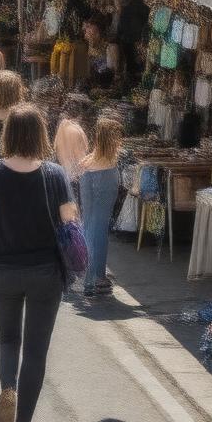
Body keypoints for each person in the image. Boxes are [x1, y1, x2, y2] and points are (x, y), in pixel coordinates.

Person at [0, 104, 78, 422]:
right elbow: (70, 222)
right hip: (44, 273)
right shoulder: (54, 175)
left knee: (7, 340)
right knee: (35, 350)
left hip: (2, 270)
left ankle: (8, 390)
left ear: (9, 135)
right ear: (40, 135)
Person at [80, 114, 122, 298]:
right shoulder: (111, 159)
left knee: (89, 226)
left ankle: (89, 276)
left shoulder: (91, 158)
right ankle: (96, 277)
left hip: (88, 178)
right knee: (99, 230)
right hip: (105, 180)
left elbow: (86, 161)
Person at [53, 94, 91, 196]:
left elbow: (56, 147)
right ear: (81, 114)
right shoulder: (76, 131)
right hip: (74, 179)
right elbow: (81, 159)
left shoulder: (62, 126)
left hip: (63, 174)